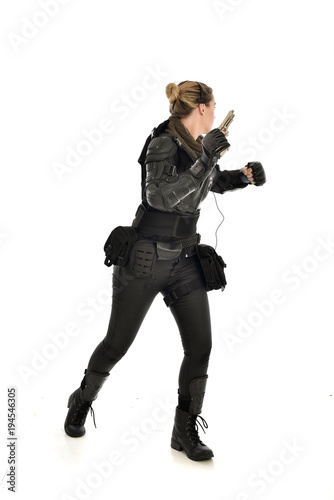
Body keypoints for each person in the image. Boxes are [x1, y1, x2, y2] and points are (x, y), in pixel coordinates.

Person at [64, 80, 266, 461]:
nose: (217, 109)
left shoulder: (196, 145)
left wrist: (241, 176)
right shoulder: (163, 142)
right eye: (214, 103)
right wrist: (206, 157)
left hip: (185, 261)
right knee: (116, 345)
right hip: (145, 259)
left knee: (201, 346)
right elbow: (160, 196)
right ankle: (82, 398)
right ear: (203, 108)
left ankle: (184, 430)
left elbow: (206, 185)